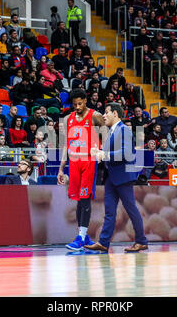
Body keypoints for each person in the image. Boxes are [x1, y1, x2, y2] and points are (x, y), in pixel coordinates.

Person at [85, 103, 148, 253]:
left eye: (106, 113)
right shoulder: (112, 131)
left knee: (131, 209)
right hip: (112, 177)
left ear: (115, 113)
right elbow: (112, 154)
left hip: (123, 176)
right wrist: (99, 152)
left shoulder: (123, 130)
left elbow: (125, 153)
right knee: (110, 212)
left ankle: (141, 241)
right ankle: (103, 242)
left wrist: (104, 154)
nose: (104, 116)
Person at [57, 88, 104, 251]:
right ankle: (84, 236)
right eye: (74, 104)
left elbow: (107, 133)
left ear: (85, 101)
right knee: (78, 199)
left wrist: (101, 149)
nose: (76, 107)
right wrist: (61, 168)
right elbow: (66, 145)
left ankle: (81, 237)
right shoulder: (68, 118)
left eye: (79, 103)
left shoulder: (95, 115)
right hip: (74, 163)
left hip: (89, 162)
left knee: (84, 198)